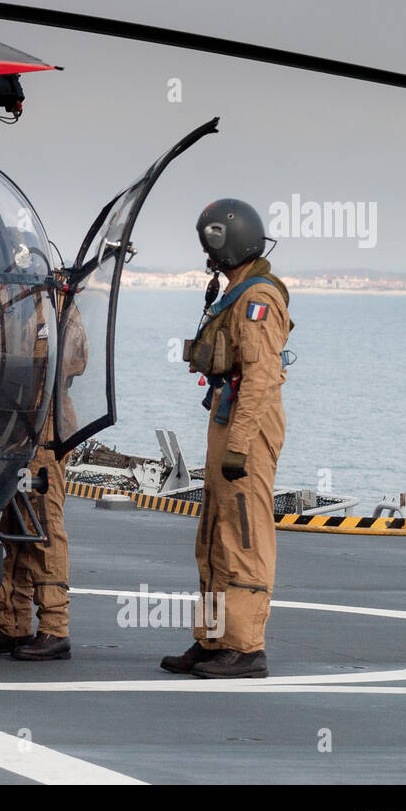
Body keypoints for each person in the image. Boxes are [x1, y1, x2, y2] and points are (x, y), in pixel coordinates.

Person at [161, 198, 292, 678]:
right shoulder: (235, 292)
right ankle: (214, 639)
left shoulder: (259, 299)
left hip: (247, 423)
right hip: (227, 412)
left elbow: (261, 377)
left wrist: (239, 444)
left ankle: (246, 646)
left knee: (243, 530)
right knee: (215, 530)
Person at [0, 232, 87, 661]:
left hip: (45, 435)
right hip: (15, 434)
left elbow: (72, 359)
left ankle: (54, 626)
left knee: (45, 528)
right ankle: (12, 623)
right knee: (15, 530)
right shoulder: (13, 312)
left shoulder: (51, 308)